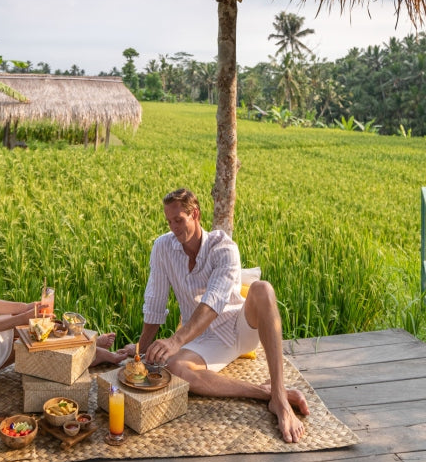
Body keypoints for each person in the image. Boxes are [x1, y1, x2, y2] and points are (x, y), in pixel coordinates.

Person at [121, 188, 309, 443]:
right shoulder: (162, 247)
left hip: (239, 327)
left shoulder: (224, 248)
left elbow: (213, 303)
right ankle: (269, 395)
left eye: (179, 220)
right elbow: (155, 302)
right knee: (175, 367)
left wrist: (175, 341)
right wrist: (140, 352)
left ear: (195, 214)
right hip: (203, 340)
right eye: (169, 221)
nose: (173, 228)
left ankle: (279, 393)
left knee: (263, 289)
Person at [0, 204, 125, 384]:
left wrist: (25, 308)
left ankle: (84, 346)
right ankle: (89, 354)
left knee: (26, 327)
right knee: (28, 341)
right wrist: (22, 318)